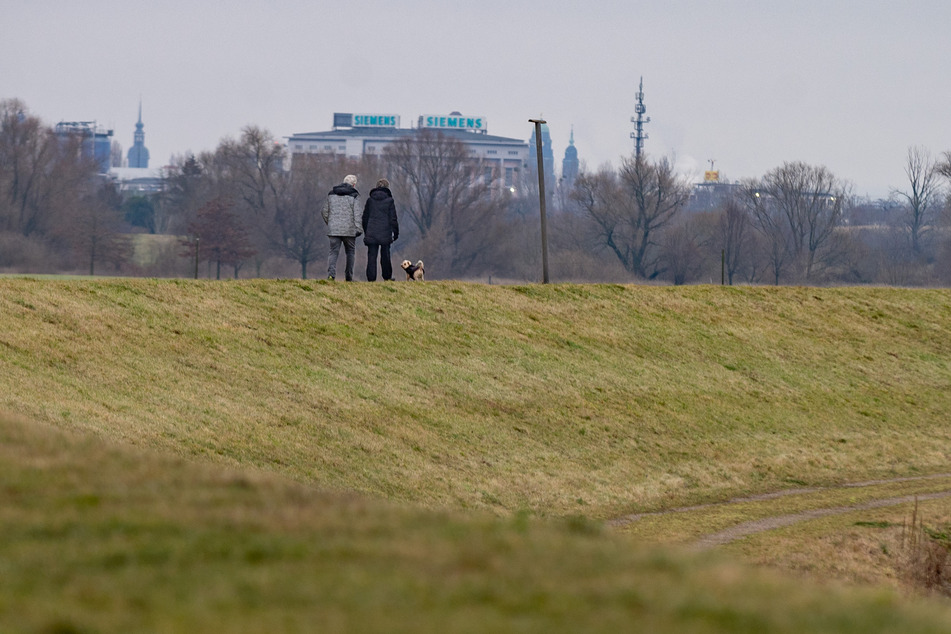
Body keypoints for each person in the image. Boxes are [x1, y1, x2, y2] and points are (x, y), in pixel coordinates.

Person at [321, 174, 361, 281]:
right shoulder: (354, 195)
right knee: (350, 252)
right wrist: (359, 229)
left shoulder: (332, 193)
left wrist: (330, 223)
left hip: (333, 230)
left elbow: (324, 211)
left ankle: (331, 275)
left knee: (333, 252)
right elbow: (357, 214)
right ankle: (348, 277)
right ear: (353, 185)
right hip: (349, 230)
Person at [361, 178, 399, 281]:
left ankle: (371, 278)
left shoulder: (370, 200)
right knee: (385, 255)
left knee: (371, 256)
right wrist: (395, 233)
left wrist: (366, 231)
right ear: (387, 188)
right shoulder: (390, 201)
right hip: (385, 232)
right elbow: (393, 219)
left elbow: (365, 218)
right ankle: (387, 277)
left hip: (372, 232)